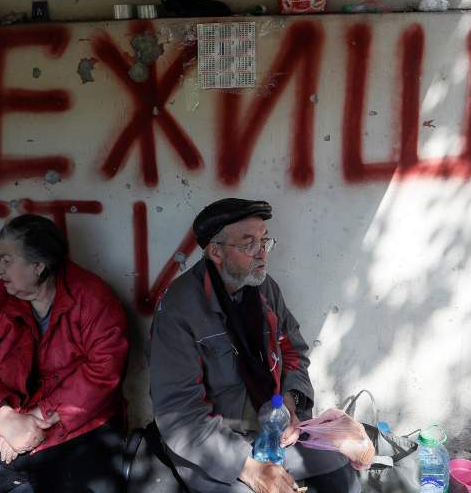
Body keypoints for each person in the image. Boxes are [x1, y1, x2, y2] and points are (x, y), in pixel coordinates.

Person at [149, 198, 360, 493]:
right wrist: (247, 467)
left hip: (270, 430)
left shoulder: (264, 289)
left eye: (264, 241)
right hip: (214, 447)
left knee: (343, 474)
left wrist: (291, 400)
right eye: (249, 244)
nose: (262, 254)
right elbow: (180, 413)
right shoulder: (179, 309)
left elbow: (292, 350)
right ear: (216, 252)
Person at [0, 214, 129, 493]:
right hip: (3, 429)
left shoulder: (94, 301)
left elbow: (104, 371)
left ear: (38, 266)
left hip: (75, 428)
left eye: (7, 260)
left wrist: (37, 417)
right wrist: (3, 417)